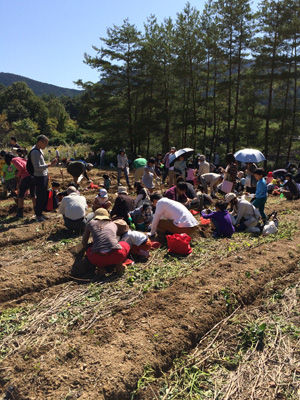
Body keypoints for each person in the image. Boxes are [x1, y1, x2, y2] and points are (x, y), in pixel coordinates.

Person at [82, 208, 130, 276]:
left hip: (97, 258)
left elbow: (84, 242)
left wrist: (86, 247)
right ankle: (118, 265)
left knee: (89, 247)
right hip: (117, 255)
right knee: (124, 243)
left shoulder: (91, 223)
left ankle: (100, 267)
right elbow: (114, 241)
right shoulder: (113, 224)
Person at [29, 135, 57, 222]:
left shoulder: (40, 150)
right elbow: (37, 167)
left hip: (43, 176)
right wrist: (50, 164)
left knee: (43, 196)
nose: (46, 145)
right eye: (45, 143)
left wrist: (47, 173)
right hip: (39, 177)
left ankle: (40, 213)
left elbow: (42, 163)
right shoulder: (35, 152)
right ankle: (38, 215)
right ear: (40, 142)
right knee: (40, 196)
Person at [9, 154, 36, 218]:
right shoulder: (21, 159)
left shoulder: (14, 160)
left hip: (26, 178)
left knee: (21, 195)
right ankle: (37, 211)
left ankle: (20, 213)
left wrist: (18, 176)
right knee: (32, 194)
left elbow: (21, 168)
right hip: (33, 176)